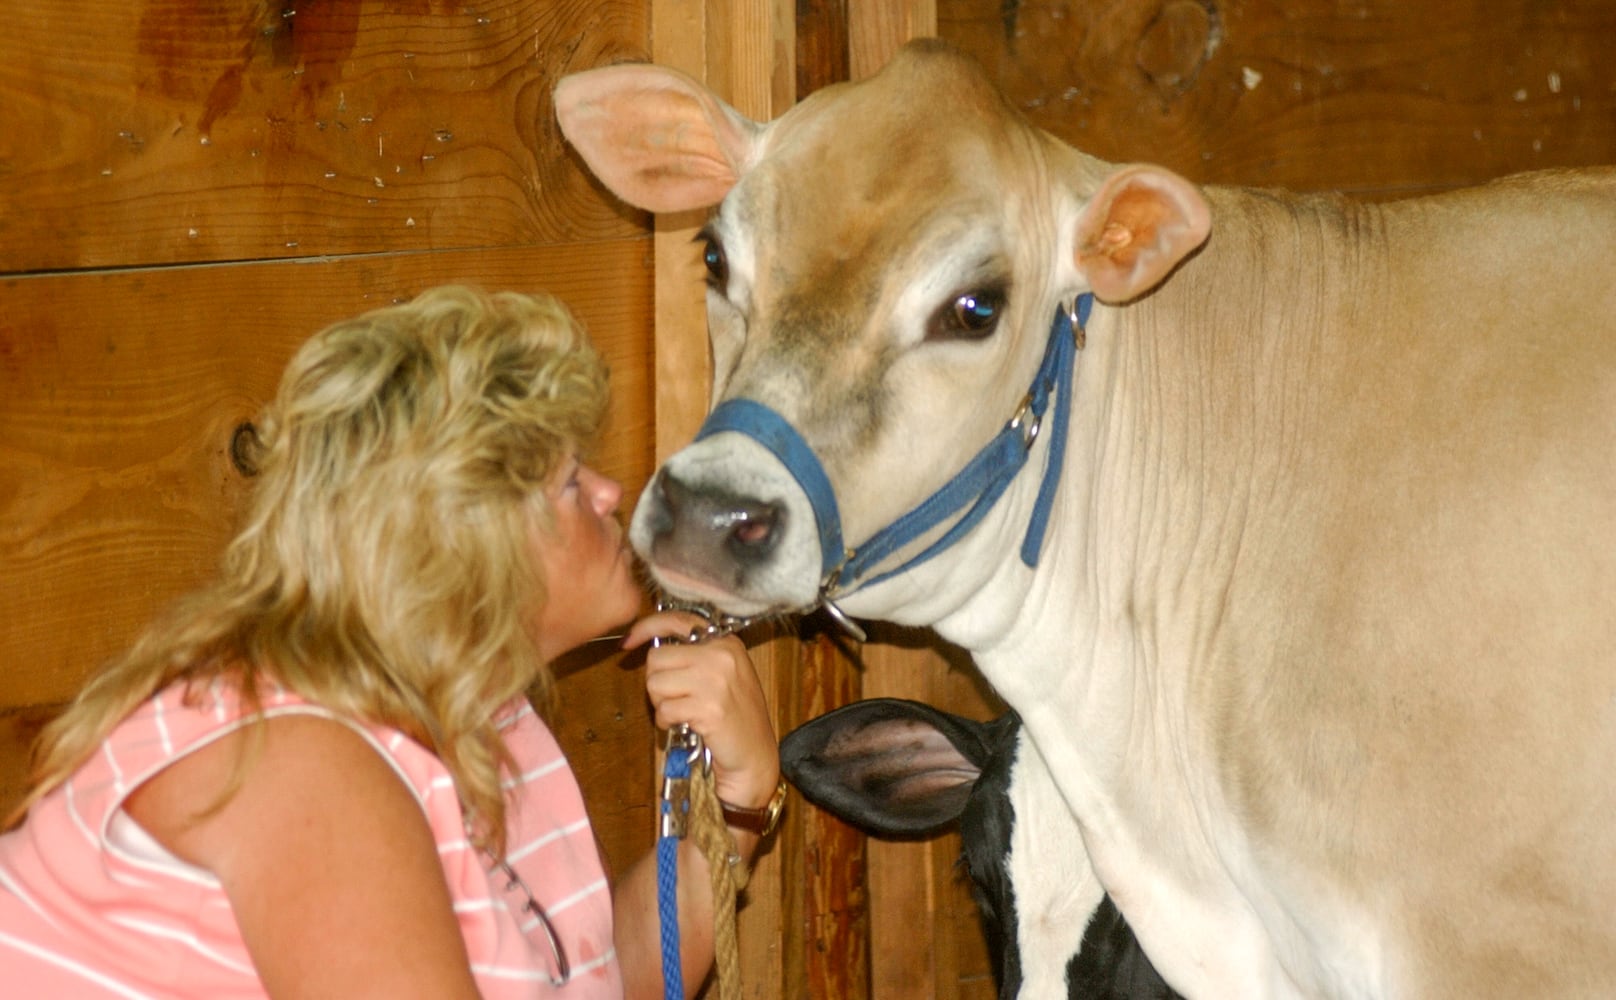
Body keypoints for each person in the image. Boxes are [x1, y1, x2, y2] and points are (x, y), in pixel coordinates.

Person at [0, 285, 782, 999]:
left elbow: (595, 981)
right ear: (462, 541)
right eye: (572, 481)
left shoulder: (482, 716)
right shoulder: (299, 763)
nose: (613, 492)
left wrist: (736, 804)